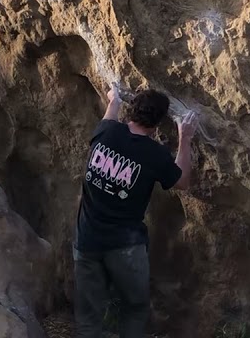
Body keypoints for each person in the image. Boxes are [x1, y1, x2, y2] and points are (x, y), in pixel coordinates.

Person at [73, 83, 196, 338]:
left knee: (88, 317)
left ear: (131, 111)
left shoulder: (106, 131)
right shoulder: (154, 155)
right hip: (125, 248)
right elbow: (182, 181)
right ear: (157, 125)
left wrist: (114, 99)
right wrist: (185, 138)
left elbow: (110, 114)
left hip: (87, 241)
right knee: (135, 309)